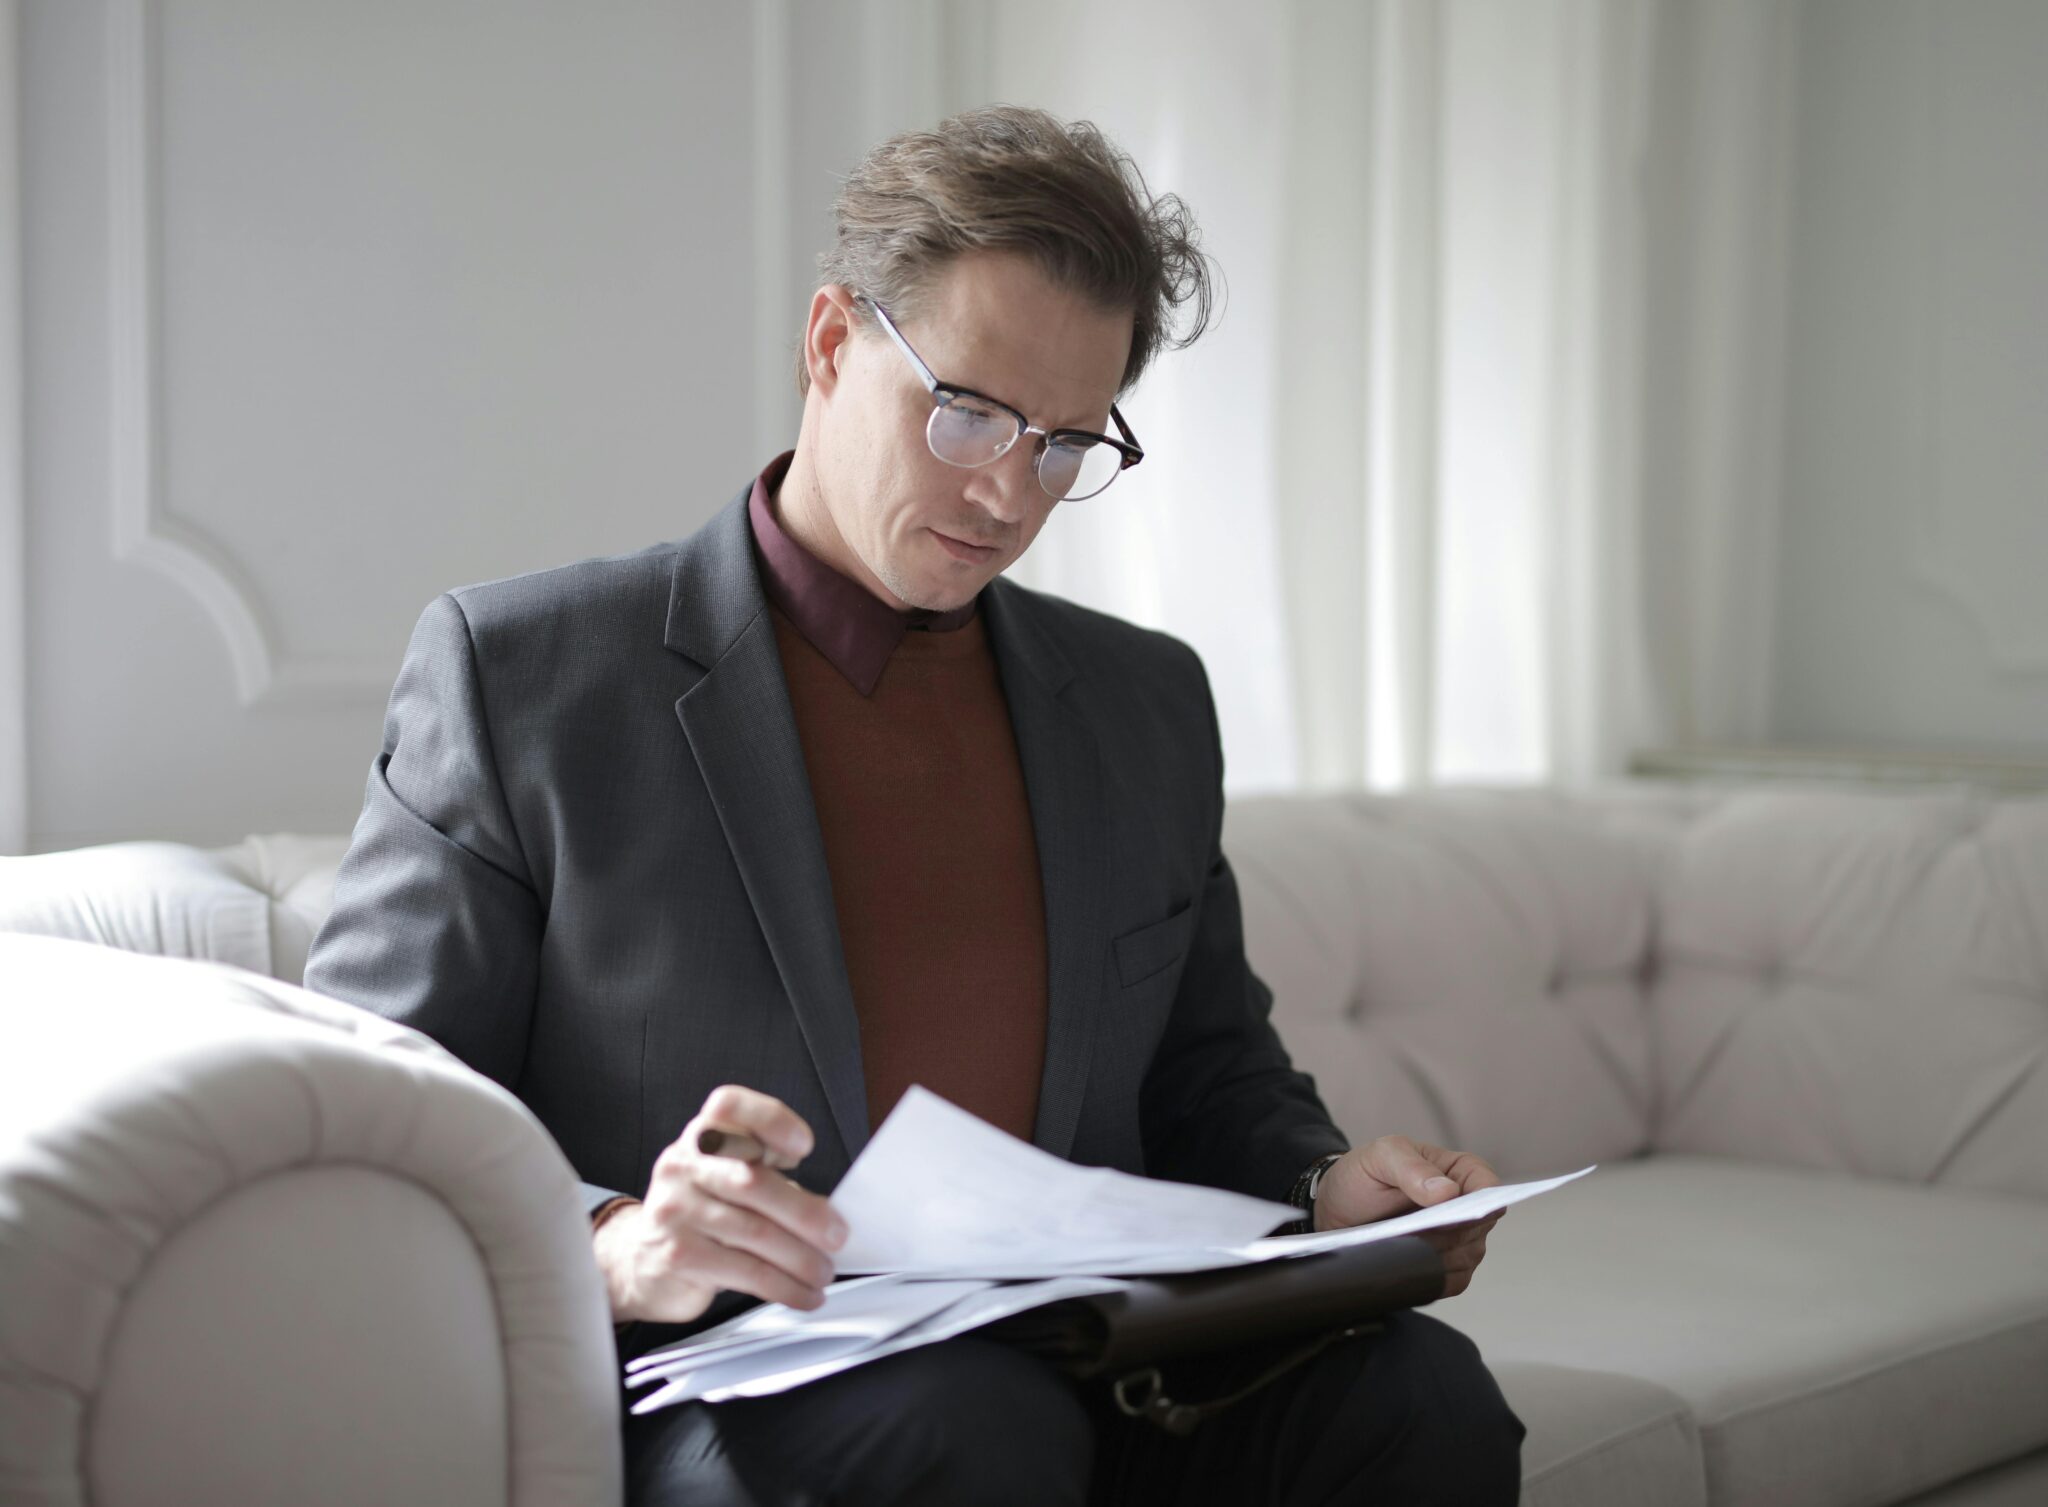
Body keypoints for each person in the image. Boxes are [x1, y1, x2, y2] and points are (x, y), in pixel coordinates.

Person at [304, 103, 1525, 1505]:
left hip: (1090, 1356)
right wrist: (623, 1242)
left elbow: (1205, 1073)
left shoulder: (1142, 703)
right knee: (963, 1432)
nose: (1009, 494)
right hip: (737, 1380)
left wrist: (1325, 1195)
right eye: (969, 414)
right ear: (832, 344)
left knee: (1419, 1399)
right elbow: (376, 1128)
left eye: (1068, 445)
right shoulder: (525, 678)